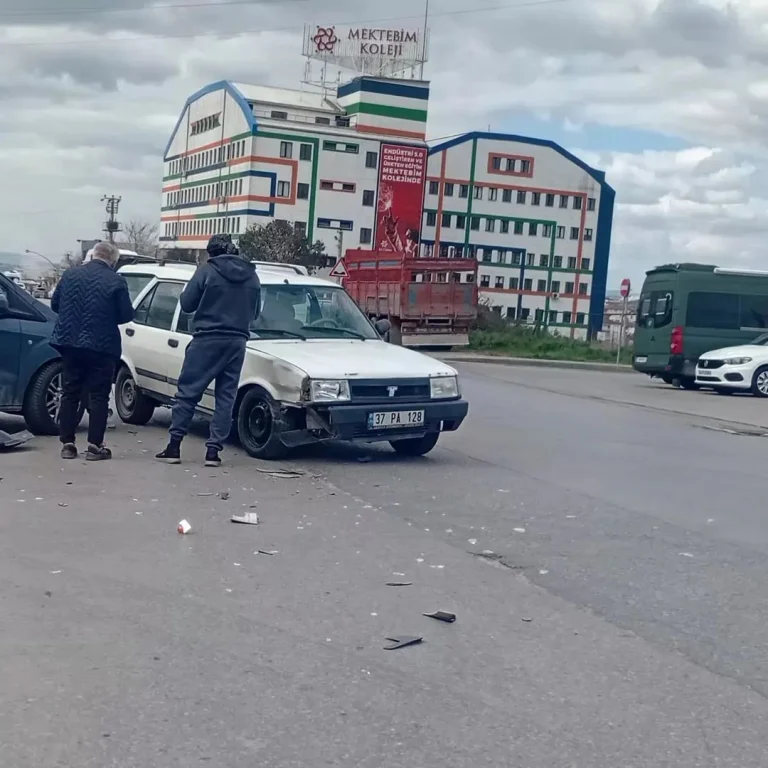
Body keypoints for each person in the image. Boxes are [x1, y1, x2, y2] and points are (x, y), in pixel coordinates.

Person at [156, 233, 261, 467]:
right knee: (226, 396)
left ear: (211, 252)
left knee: (188, 392)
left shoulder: (206, 270)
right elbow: (255, 312)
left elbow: (187, 304)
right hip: (237, 342)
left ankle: (174, 447)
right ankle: (213, 452)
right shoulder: (252, 275)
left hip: (207, 339)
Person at [50, 241, 134, 461]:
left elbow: (55, 305)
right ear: (113, 260)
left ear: (93, 255)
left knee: (70, 392)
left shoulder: (70, 275)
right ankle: (95, 446)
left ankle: (67, 444)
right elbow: (126, 315)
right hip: (101, 346)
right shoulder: (116, 281)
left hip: (70, 343)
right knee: (98, 395)